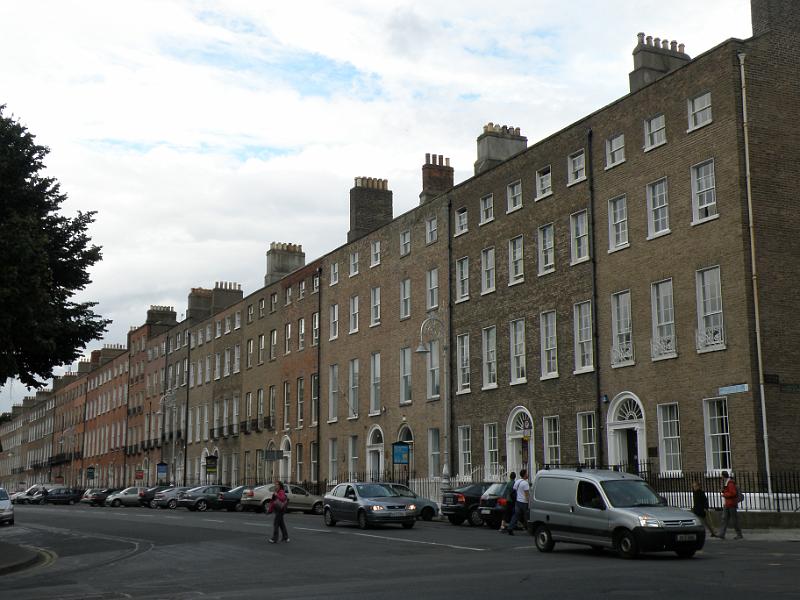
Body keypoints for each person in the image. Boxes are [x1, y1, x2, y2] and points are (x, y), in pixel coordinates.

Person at [718, 471, 743, 540]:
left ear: (723, 476)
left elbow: (733, 493)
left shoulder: (730, 483)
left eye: (721, 476)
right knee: (724, 519)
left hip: (732, 504)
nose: (721, 477)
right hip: (727, 504)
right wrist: (723, 491)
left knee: (734, 520)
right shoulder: (727, 482)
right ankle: (721, 534)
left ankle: (739, 534)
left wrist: (724, 494)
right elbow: (728, 491)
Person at [505, 469, 529, 536]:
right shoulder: (525, 483)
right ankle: (528, 529)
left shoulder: (517, 482)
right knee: (527, 516)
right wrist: (529, 502)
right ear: (524, 475)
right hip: (524, 502)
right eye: (527, 474)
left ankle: (510, 528)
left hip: (517, 501)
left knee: (515, 515)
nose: (527, 475)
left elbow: (514, 491)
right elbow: (527, 494)